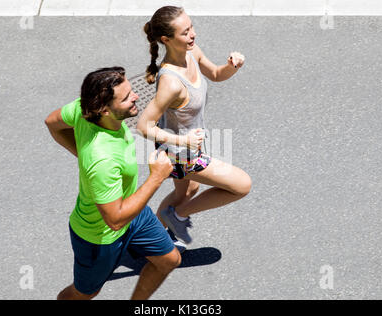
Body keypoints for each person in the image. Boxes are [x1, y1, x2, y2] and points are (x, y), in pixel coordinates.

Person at [45, 67, 181, 300]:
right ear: (104, 110)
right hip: (100, 236)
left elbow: (51, 122)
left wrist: (80, 155)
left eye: (131, 91)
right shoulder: (103, 161)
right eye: (127, 97)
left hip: (132, 211)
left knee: (169, 259)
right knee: (84, 293)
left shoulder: (83, 108)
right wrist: (157, 177)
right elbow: (115, 220)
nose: (136, 96)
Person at [137, 6, 252, 245]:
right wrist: (184, 141)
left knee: (187, 192)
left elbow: (217, 74)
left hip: (188, 146)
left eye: (191, 27)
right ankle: (178, 217)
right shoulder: (171, 82)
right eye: (185, 32)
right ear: (166, 40)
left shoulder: (192, 52)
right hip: (181, 153)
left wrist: (232, 65)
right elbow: (143, 126)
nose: (192, 35)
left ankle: (153, 242)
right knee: (242, 185)